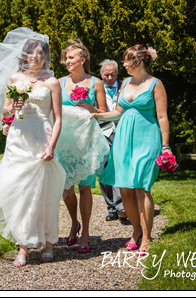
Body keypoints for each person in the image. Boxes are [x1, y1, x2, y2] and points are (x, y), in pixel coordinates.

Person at [0, 28, 66, 267]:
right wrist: (13, 108)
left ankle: (48, 242)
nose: (35, 56)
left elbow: (58, 117)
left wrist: (52, 146)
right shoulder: (14, 78)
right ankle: (22, 246)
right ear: (25, 55)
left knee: (43, 192)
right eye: (31, 52)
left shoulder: (52, 82)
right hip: (18, 138)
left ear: (45, 56)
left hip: (42, 137)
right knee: (18, 189)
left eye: (39, 52)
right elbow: (5, 109)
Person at [92, 44, 172, 256]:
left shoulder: (156, 84)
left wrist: (166, 146)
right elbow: (117, 111)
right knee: (125, 188)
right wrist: (96, 114)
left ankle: (147, 237)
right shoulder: (126, 82)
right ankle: (136, 231)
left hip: (147, 138)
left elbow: (162, 117)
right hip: (124, 139)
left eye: (127, 60)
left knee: (142, 186)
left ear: (139, 62)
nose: (124, 64)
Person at [55, 41, 109, 253]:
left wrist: (91, 108)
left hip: (86, 138)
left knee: (85, 187)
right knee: (66, 188)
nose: (67, 61)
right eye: (66, 58)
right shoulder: (58, 83)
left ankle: (85, 232)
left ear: (82, 60)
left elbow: (103, 112)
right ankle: (73, 222)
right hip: (64, 140)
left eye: (71, 58)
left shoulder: (96, 83)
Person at [98, 59, 127, 223]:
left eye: (113, 74)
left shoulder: (125, 86)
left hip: (122, 131)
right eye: (106, 74)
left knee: (119, 169)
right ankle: (111, 208)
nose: (110, 77)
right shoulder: (96, 87)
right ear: (101, 74)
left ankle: (121, 206)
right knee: (103, 170)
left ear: (117, 73)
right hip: (101, 131)